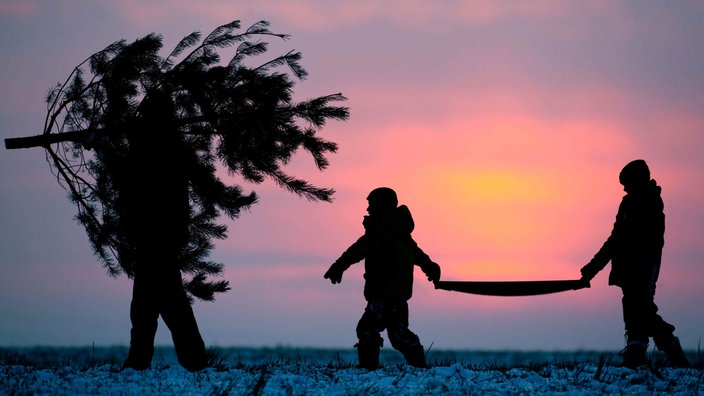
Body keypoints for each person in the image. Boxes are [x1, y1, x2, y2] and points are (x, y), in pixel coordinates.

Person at [119, 93, 208, 372]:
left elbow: (126, 172)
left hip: (157, 236)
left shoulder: (158, 148)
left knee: (161, 304)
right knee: (159, 303)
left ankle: (148, 361)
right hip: (161, 235)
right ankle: (177, 360)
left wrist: (103, 146)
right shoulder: (169, 147)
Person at [579, 159, 689, 369]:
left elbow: (644, 242)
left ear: (638, 181)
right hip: (626, 269)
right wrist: (591, 270)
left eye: (627, 183)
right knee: (633, 311)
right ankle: (636, 357)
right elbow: (615, 240)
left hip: (644, 268)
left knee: (642, 310)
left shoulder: (652, 205)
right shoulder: (627, 204)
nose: (624, 188)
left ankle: (672, 350)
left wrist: (595, 269)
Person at [324, 187, 441, 370]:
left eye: (371, 205)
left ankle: (368, 367)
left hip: (382, 295)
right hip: (396, 296)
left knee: (369, 329)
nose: (368, 210)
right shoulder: (401, 234)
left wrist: (338, 267)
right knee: (397, 334)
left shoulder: (379, 233)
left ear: (382, 206)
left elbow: (356, 251)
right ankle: (417, 365)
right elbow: (418, 255)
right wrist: (431, 268)